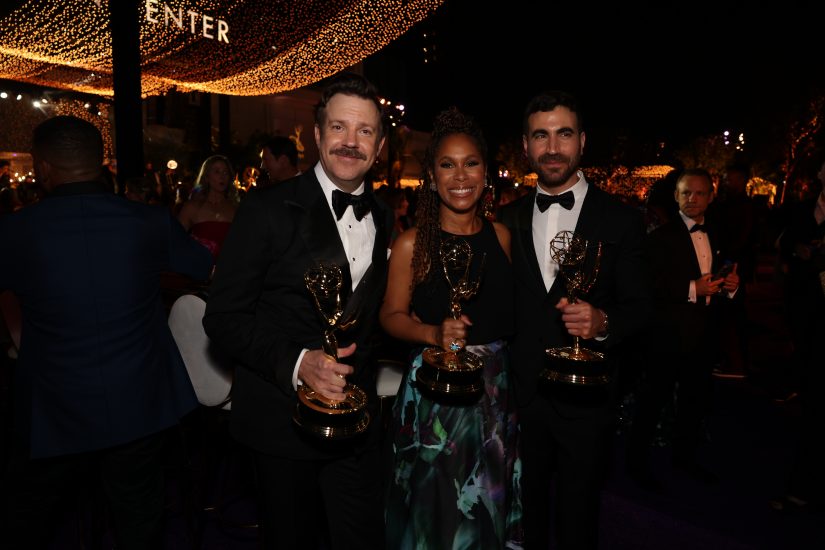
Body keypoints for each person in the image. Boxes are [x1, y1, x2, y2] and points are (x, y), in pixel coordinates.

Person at [0, 115, 213, 549]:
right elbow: (204, 268)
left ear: (42, 168)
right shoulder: (148, 222)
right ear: (101, 163)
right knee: (138, 519)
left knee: (29, 518)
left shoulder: (15, 231)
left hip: (54, 404)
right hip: (137, 397)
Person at [202, 72, 392, 550]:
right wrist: (297, 363)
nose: (351, 142)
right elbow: (223, 317)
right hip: (283, 422)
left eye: (365, 131)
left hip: (358, 420)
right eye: (339, 128)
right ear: (317, 134)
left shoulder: (386, 216)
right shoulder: (265, 209)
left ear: (381, 144)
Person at [498, 90, 651, 550]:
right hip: (521, 397)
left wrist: (603, 320)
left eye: (563, 134)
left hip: (588, 397)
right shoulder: (504, 219)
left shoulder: (622, 221)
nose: (552, 147)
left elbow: (643, 307)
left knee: (580, 514)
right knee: (526, 513)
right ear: (525, 146)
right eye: (540, 136)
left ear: (582, 142)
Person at [380, 108, 523, 549]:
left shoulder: (501, 237)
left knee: (487, 509)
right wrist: (432, 335)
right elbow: (389, 316)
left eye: (470, 163)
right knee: (437, 517)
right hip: (434, 399)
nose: (460, 175)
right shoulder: (411, 244)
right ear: (432, 176)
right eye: (447, 164)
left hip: (495, 393)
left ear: (486, 172)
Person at [627, 168, 740, 490]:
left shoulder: (719, 233)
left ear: (711, 197)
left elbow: (721, 278)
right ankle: (636, 465)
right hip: (667, 335)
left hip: (705, 335)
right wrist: (692, 288)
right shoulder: (659, 238)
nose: (692, 199)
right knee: (653, 401)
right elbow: (649, 286)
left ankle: (684, 458)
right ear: (676, 196)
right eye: (686, 193)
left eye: (700, 193)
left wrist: (730, 285)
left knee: (694, 401)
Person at [772, 156, 825, 511]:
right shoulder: (802, 209)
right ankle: (803, 486)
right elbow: (783, 243)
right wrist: (800, 250)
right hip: (808, 311)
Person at [177, 154, 240, 261]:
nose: (222, 176)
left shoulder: (236, 208)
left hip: (230, 271)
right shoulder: (192, 207)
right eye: (217, 172)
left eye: (225, 172)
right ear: (207, 177)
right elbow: (176, 242)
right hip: (199, 272)